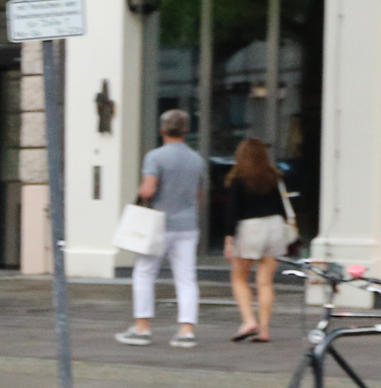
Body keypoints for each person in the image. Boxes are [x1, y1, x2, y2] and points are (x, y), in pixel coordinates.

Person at [120, 110, 206, 348]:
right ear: (186, 131)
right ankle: (186, 330)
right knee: (186, 278)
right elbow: (199, 196)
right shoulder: (197, 159)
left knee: (145, 273)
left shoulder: (155, 157)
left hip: (158, 224)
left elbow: (148, 190)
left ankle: (142, 327)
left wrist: (140, 194)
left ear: (162, 131)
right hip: (188, 225)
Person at [224, 136, 289, 344]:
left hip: (250, 228)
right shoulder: (273, 176)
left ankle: (248, 320)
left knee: (239, 277)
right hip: (275, 225)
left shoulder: (238, 179)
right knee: (265, 282)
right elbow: (282, 207)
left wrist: (228, 239)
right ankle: (264, 330)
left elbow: (232, 212)